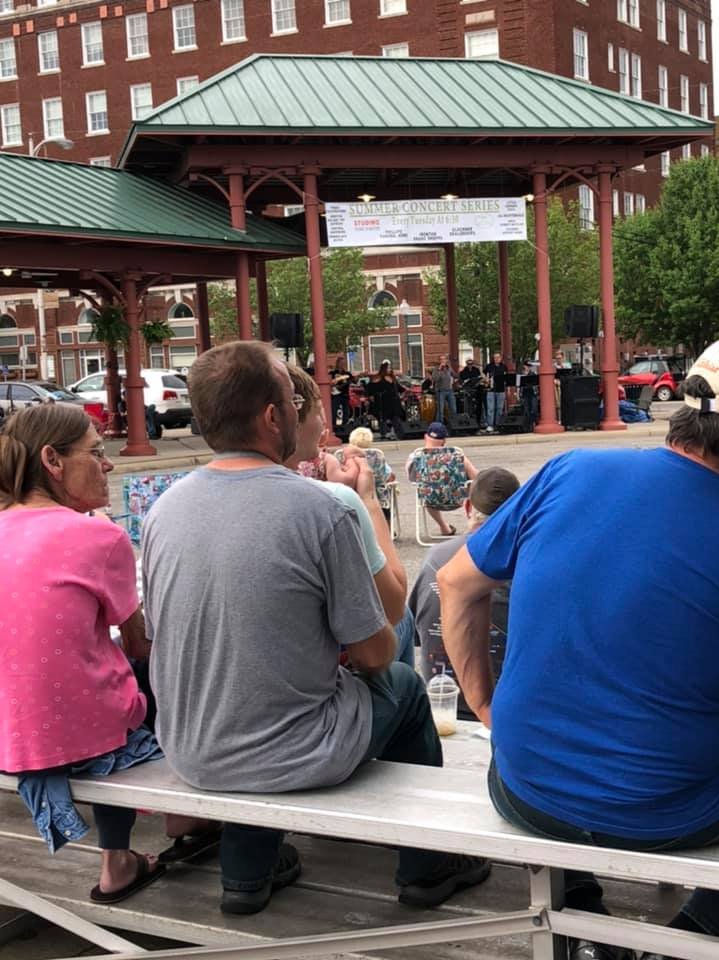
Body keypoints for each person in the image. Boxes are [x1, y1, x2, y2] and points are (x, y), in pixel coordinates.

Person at [437, 332, 719, 960]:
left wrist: (488, 707)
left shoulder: (568, 470)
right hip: (679, 813)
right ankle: (692, 942)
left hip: (521, 787)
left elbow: (455, 583)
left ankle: (580, 924)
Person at [142, 341, 489, 916]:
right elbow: (377, 651)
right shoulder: (317, 509)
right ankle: (425, 866)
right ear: (273, 416)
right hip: (289, 754)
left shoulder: (162, 510)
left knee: (258, 703)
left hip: (190, 748)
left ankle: (247, 876)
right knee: (402, 686)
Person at [0, 404, 209, 904]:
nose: (108, 464)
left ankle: (124, 858)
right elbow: (139, 647)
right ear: (52, 459)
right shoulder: (98, 535)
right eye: (96, 453)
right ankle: (178, 816)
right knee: (156, 671)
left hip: (10, 734)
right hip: (79, 736)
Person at [286, 365, 414, 667]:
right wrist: (367, 500)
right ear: (283, 416)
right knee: (404, 621)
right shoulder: (334, 500)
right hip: (315, 689)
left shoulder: (171, 505)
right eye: (318, 412)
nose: (323, 425)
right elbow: (393, 605)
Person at [409, 467, 519, 719]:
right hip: (503, 709)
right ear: (517, 512)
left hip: (445, 702)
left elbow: (416, 631)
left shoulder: (436, 557)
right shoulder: (525, 561)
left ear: (468, 507)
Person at [406, 421, 478, 538]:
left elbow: (413, 480)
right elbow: (476, 476)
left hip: (430, 500)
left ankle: (444, 526)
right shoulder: (456, 454)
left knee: (425, 487)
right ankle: (475, 524)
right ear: (444, 441)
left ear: (425, 437)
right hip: (457, 498)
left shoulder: (416, 456)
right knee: (473, 483)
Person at [348, 424, 397, 528]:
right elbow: (388, 475)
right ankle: (387, 530)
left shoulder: (345, 455)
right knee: (385, 492)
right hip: (377, 494)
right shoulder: (376, 455)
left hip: (353, 492)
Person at [366, 360, 406, 441]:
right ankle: (384, 433)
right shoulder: (378, 378)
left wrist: (405, 391)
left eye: (390, 368)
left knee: (395, 418)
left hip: (394, 402)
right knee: (383, 418)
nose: (390, 370)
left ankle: (399, 434)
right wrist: (370, 396)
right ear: (384, 369)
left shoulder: (393, 378)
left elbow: (399, 388)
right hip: (383, 402)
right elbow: (370, 388)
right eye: (388, 368)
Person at [482, 352, 509, 433]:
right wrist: (486, 379)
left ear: (501, 358)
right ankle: (490, 425)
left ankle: (498, 424)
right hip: (491, 389)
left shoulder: (504, 367)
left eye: (498, 357)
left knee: (500, 408)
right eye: (495, 357)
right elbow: (483, 373)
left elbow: (506, 378)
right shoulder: (489, 366)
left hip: (501, 390)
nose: (496, 359)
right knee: (490, 408)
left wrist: (508, 389)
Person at [431, 354, 457, 426]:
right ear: (439, 361)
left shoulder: (449, 368)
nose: (443, 361)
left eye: (444, 359)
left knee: (453, 408)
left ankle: (454, 425)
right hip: (440, 391)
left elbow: (455, 375)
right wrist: (439, 369)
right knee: (440, 410)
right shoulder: (436, 369)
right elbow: (435, 379)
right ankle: (439, 426)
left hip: (449, 390)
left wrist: (454, 379)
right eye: (441, 359)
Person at [329, 357, 354, 429]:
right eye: (341, 363)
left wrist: (359, 376)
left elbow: (353, 381)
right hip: (335, 395)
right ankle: (334, 426)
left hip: (344, 395)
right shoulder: (332, 373)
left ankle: (344, 427)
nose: (342, 364)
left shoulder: (347, 374)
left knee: (346, 411)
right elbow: (330, 383)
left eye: (343, 363)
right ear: (337, 363)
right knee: (334, 410)